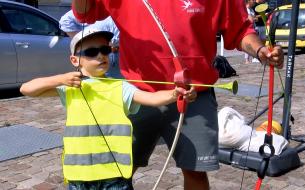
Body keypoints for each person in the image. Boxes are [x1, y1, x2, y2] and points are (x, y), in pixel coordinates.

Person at [72, 1, 284, 189]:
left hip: (193, 97)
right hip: (136, 95)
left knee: (195, 172)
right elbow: (85, 13)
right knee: (119, 169)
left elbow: (240, 30)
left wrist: (259, 50)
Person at [20, 28, 196, 190]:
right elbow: (26, 89)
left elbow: (151, 98)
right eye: (91, 52)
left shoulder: (120, 87)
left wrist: (175, 94)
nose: (100, 56)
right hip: (79, 174)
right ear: (75, 60)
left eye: (104, 50)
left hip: (114, 173)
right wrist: (59, 79)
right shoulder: (70, 87)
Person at [59, 10, 121, 78]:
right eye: (91, 52)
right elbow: (65, 21)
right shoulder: (96, 6)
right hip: (111, 54)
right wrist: (82, 39)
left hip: (118, 54)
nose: (100, 55)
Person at [244, 0, 257, 64]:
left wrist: (254, 18)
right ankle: (247, 60)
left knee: (253, 44)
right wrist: (254, 18)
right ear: (248, 1)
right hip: (247, 29)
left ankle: (253, 58)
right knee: (248, 44)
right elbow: (250, 19)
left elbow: (253, 18)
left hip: (253, 28)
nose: (254, 1)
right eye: (253, 0)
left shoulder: (251, 9)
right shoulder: (245, 9)